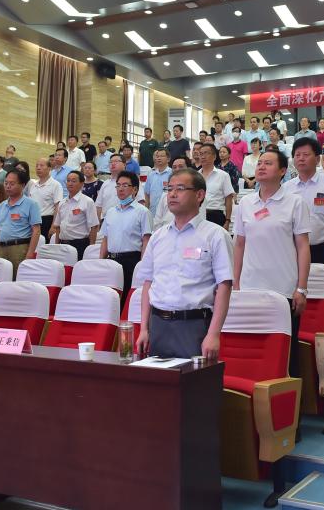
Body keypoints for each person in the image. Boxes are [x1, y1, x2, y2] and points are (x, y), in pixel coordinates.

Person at [135, 167, 233, 360]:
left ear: (199, 195)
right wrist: (144, 328)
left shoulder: (215, 235)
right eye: (169, 189)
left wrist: (214, 334)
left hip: (194, 325)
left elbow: (224, 286)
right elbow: (148, 283)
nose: (172, 194)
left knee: (194, 379)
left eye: (180, 189)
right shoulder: (158, 236)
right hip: (158, 324)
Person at [233, 148, 311, 379]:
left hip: (283, 289)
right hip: (250, 287)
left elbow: (303, 247)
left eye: (268, 163)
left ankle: (290, 399)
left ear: (283, 171)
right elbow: (239, 245)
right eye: (259, 163)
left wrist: (301, 288)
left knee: (286, 352)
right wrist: (235, 283)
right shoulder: (245, 203)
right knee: (251, 348)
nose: (261, 167)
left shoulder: (295, 203)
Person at [285, 137, 324, 274]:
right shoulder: (286, 188)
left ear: (317, 159)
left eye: (306, 154)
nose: (301, 158)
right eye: (297, 155)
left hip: (323, 250)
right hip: (293, 251)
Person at [99, 170, 151, 305]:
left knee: (126, 300)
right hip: (111, 261)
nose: (120, 189)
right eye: (118, 185)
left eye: (125, 185)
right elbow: (105, 239)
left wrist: (142, 265)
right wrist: (101, 262)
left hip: (131, 261)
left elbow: (146, 241)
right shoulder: (111, 211)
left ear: (135, 189)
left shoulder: (143, 212)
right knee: (109, 299)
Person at [0, 169, 42, 275]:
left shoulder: (31, 204)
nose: (8, 186)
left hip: (19, 248)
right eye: (6, 183)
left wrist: (29, 254)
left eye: (12, 184)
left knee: (16, 280)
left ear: (22, 185)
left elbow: (36, 231)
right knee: (0, 280)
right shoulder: (1, 205)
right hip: (1, 248)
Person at [50, 170, 99, 261]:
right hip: (62, 244)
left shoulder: (87, 201)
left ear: (82, 184)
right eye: (68, 180)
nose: (70, 183)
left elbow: (94, 226)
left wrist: (91, 249)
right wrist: (56, 246)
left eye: (73, 181)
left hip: (80, 245)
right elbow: (58, 227)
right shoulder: (62, 203)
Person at [97, 153, 147, 219]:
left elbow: (141, 202)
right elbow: (98, 205)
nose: (113, 164)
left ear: (124, 164)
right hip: (106, 220)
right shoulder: (105, 183)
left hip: (128, 220)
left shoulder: (133, 180)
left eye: (116, 161)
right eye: (111, 162)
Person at [197, 143, 235, 228]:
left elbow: (228, 199)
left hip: (216, 215)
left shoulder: (223, 175)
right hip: (198, 215)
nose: (203, 156)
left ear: (214, 156)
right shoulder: (195, 176)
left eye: (206, 153)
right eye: (201, 154)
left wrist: (227, 220)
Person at [28, 158, 62, 240]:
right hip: (32, 221)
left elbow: (58, 207)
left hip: (46, 221)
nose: (38, 168)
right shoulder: (33, 185)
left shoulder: (55, 185)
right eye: (37, 166)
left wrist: (53, 226)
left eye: (41, 165)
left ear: (49, 168)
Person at [144, 148, 172, 214]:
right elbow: (147, 194)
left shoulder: (172, 174)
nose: (159, 158)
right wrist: (146, 210)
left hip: (168, 212)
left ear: (168, 159)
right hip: (152, 212)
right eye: (157, 156)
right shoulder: (151, 175)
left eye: (162, 156)